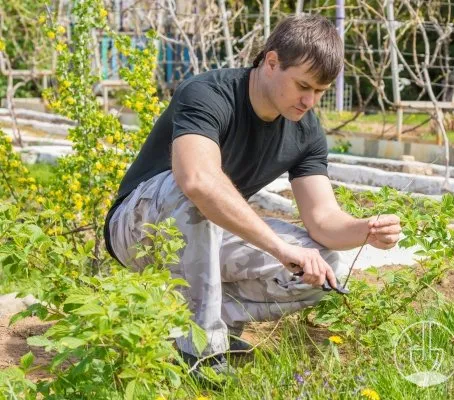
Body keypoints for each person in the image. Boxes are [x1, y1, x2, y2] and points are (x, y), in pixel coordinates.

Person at [104, 14, 401, 376]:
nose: (310, 101)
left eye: (320, 92)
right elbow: (197, 180)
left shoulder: (305, 131)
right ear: (271, 62)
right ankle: (201, 351)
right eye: (303, 85)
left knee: (321, 266)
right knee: (197, 194)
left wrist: (365, 230)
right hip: (138, 230)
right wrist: (278, 246)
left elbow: (323, 220)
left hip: (205, 234)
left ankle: (192, 326)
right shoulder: (208, 93)